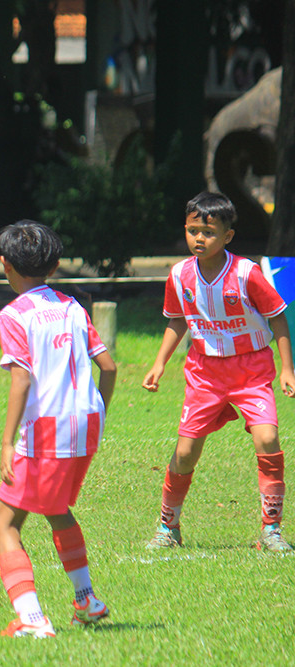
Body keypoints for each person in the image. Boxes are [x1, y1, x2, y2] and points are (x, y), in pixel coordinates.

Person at [143, 192, 295, 552]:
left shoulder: (247, 273)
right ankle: (168, 528)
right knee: (184, 453)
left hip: (252, 369)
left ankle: (271, 530)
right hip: (204, 373)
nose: (199, 238)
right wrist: (159, 362)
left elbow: (277, 317)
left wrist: (287, 368)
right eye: (192, 230)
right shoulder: (179, 275)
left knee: (267, 439)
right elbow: (177, 321)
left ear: (228, 236)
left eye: (208, 233)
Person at [0, 220, 116, 638]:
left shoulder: (14, 315)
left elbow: (22, 378)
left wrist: (7, 442)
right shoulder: (72, 307)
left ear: (5, 265)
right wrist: (95, 411)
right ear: (56, 265)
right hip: (85, 424)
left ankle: (31, 618)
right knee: (56, 508)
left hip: (46, 432)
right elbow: (109, 366)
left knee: (5, 525)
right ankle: (87, 601)